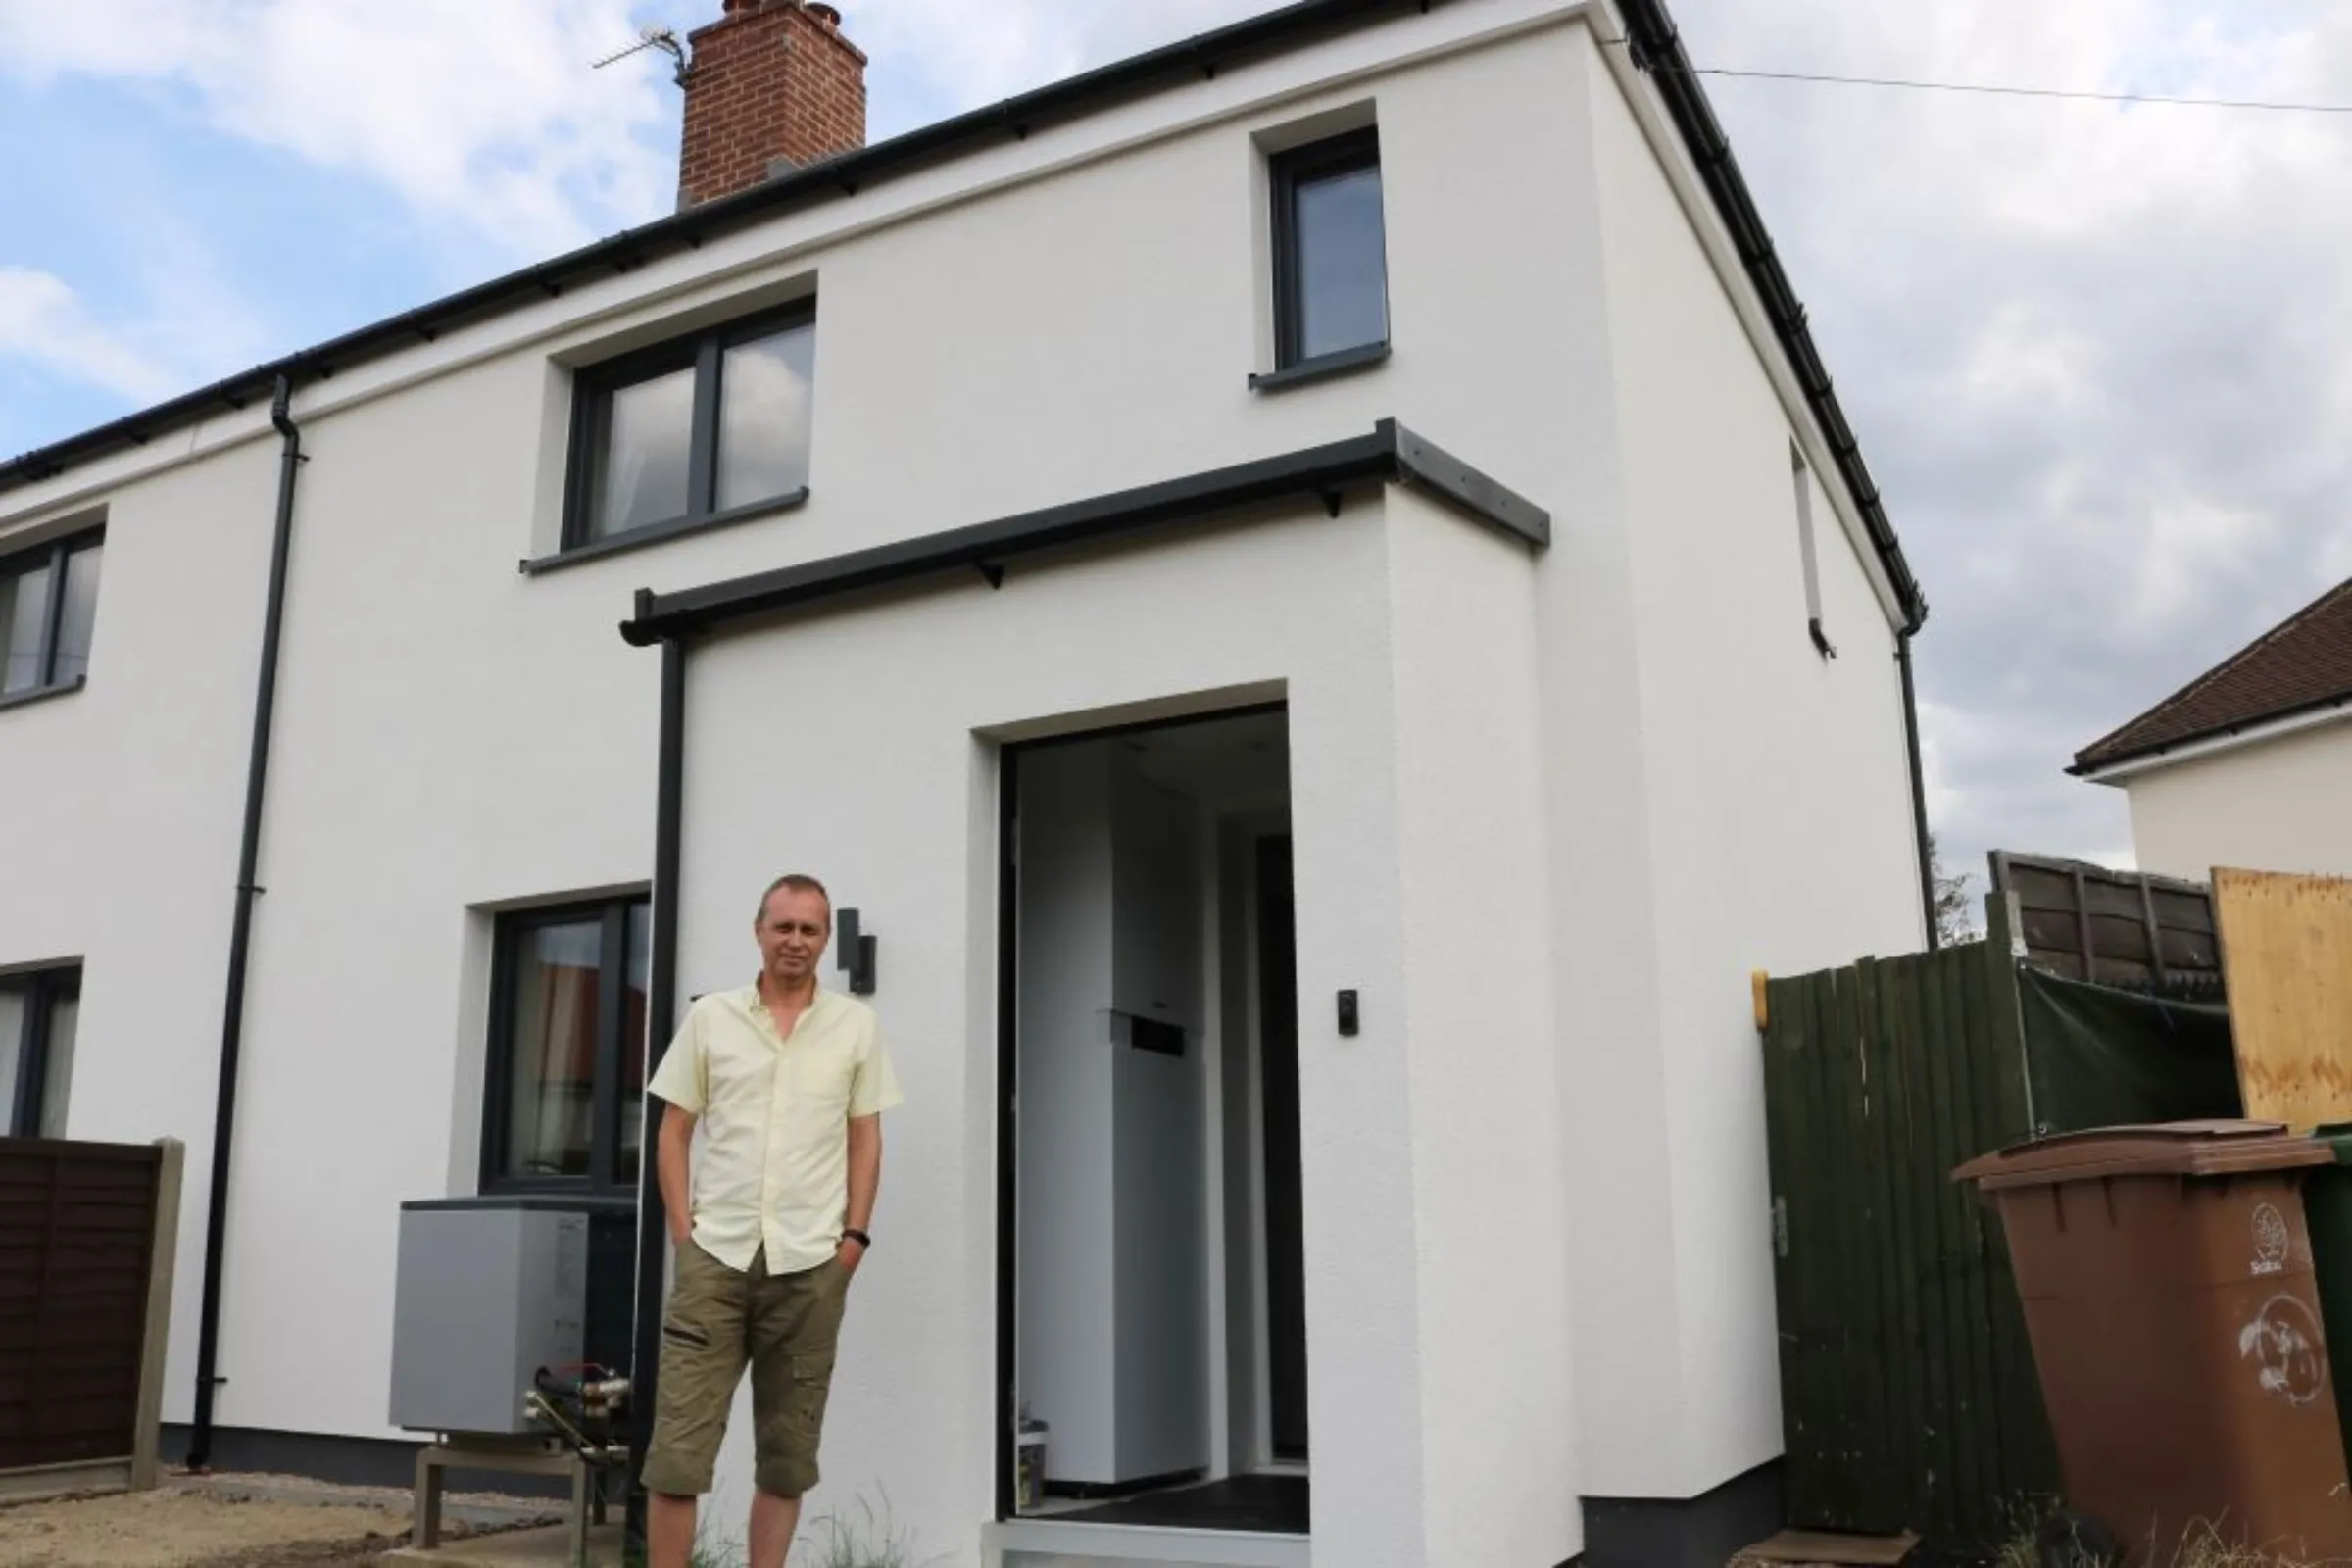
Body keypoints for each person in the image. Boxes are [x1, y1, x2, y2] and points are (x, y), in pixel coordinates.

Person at [641, 873, 904, 1568]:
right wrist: (682, 1234)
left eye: (809, 929)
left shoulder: (856, 1026)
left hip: (811, 1267)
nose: (795, 941)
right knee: (677, 1456)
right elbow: (673, 1130)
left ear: (824, 940)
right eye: (783, 926)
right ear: (759, 931)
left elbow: (866, 1137)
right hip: (714, 1261)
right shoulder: (712, 1019)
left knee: (787, 1458)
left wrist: (853, 1242)